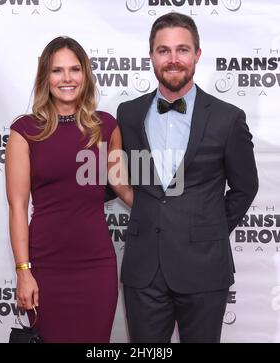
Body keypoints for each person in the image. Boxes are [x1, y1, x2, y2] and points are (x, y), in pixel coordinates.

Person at [117, 12, 258, 343]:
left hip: (205, 269)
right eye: (163, 50)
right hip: (143, 271)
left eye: (182, 49)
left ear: (197, 54)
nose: (173, 59)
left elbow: (245, 186)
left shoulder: (227, 118)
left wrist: (208, 227)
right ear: (151, 55)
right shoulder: (128, 113)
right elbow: (116, 174)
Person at [5, 36, 132, 343]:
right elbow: (18, 206)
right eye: (57, 70)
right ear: (45, 77)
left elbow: (124, 188)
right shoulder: (24, 131)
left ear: (85, 76)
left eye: (74, 70)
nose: (67, 79)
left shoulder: (105, 126)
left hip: (96, 266)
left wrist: (173, 208)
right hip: (45, 266)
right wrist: (24, 271)